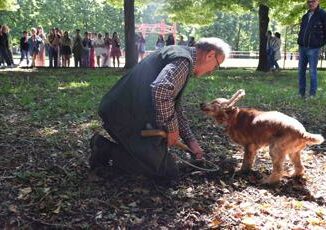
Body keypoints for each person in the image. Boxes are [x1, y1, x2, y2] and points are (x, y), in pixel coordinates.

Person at [89, 37, 231, 182]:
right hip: (124, 116)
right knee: (164, 172)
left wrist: (191, 142)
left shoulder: (180, 54)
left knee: (161, 165)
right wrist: (172, 128)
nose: (212, 71)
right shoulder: (183, 61)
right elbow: (161, 89)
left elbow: (174, 106)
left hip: (124, 111)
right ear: (210, 55)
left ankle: (123, 150)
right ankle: (106, 149)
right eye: (216, 66)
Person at [297, 0, 326, 98]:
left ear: (318, 1)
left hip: (314, 48)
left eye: (313, 1)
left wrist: (320, 44)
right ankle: (301, 94)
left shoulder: (323, 14)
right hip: (302, 47)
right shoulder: (305, 16)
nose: (310, 3)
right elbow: (302, 31)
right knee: (301, 71)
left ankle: (312, 95)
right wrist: (299, 42)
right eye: (309, 1)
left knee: (312, 72)